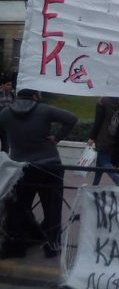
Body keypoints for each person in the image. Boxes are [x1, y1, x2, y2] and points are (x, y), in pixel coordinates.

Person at [0, 88, 77, 258]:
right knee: (52, 208)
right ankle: (52, 246)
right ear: (35, 96)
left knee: (19, 207)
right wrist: (57, 137)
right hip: (49, 166)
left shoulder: (5, 113)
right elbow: (72, 118)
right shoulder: (44, 109)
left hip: (20, 168)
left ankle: (18, 246)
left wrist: (6, 148)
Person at [87, 97, 119, 185]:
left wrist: (92, 137)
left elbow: (98, 122)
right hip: (113, 137)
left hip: (103, 138)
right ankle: (95, 185)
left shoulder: (102, 102)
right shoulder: (117, 103)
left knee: (104, 162)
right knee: (99, 163)